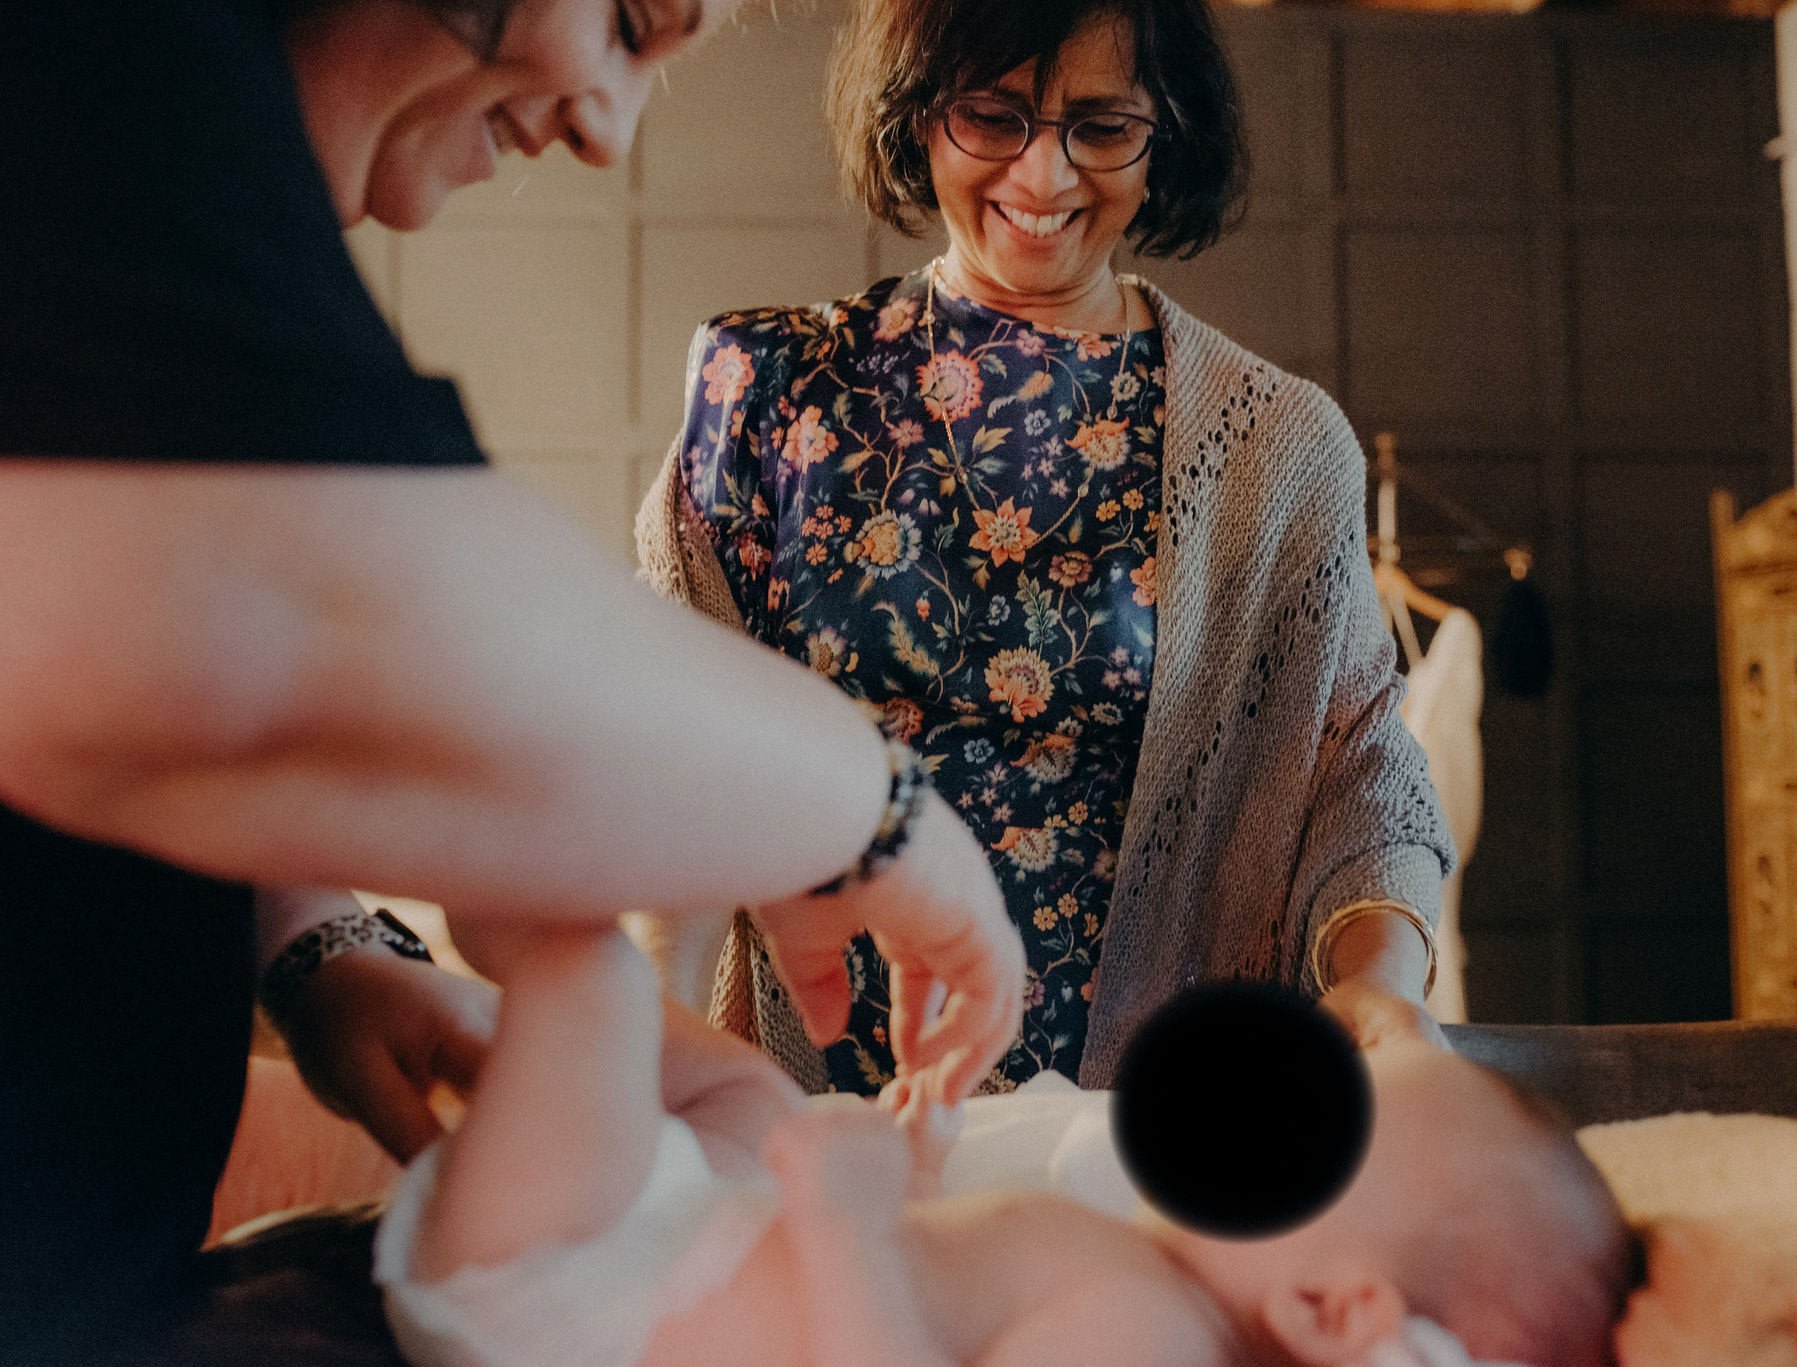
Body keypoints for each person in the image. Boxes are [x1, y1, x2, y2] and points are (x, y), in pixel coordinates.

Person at [0, 2, 1023, 1358]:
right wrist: (886, 818)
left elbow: (146, 624)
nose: (606, 125)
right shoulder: (110, 53)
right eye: (629, 18)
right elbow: (327, 620)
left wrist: (322, 948)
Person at [638, 0, 1457, 1097]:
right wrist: (642, 1042)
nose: (1043, 174)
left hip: (1141, 1128)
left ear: (1162, 132)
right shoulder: (767, 389)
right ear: (917, 115)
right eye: (993, 116)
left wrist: (1381, 988)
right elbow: (656, 746)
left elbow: (1358, 763)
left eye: (1100, 126)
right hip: (808, 1116)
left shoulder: (1276, 443)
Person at [374, 922, 1634, 1367]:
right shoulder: (1151, 1285)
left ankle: (523, 969)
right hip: (688, 1228)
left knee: (587, 968)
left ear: (1326, 1302)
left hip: (586, 1294)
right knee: (748, 1102)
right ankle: (502, 1046)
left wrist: (845, 1224)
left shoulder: (1155, 1339)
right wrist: (915, 1182)